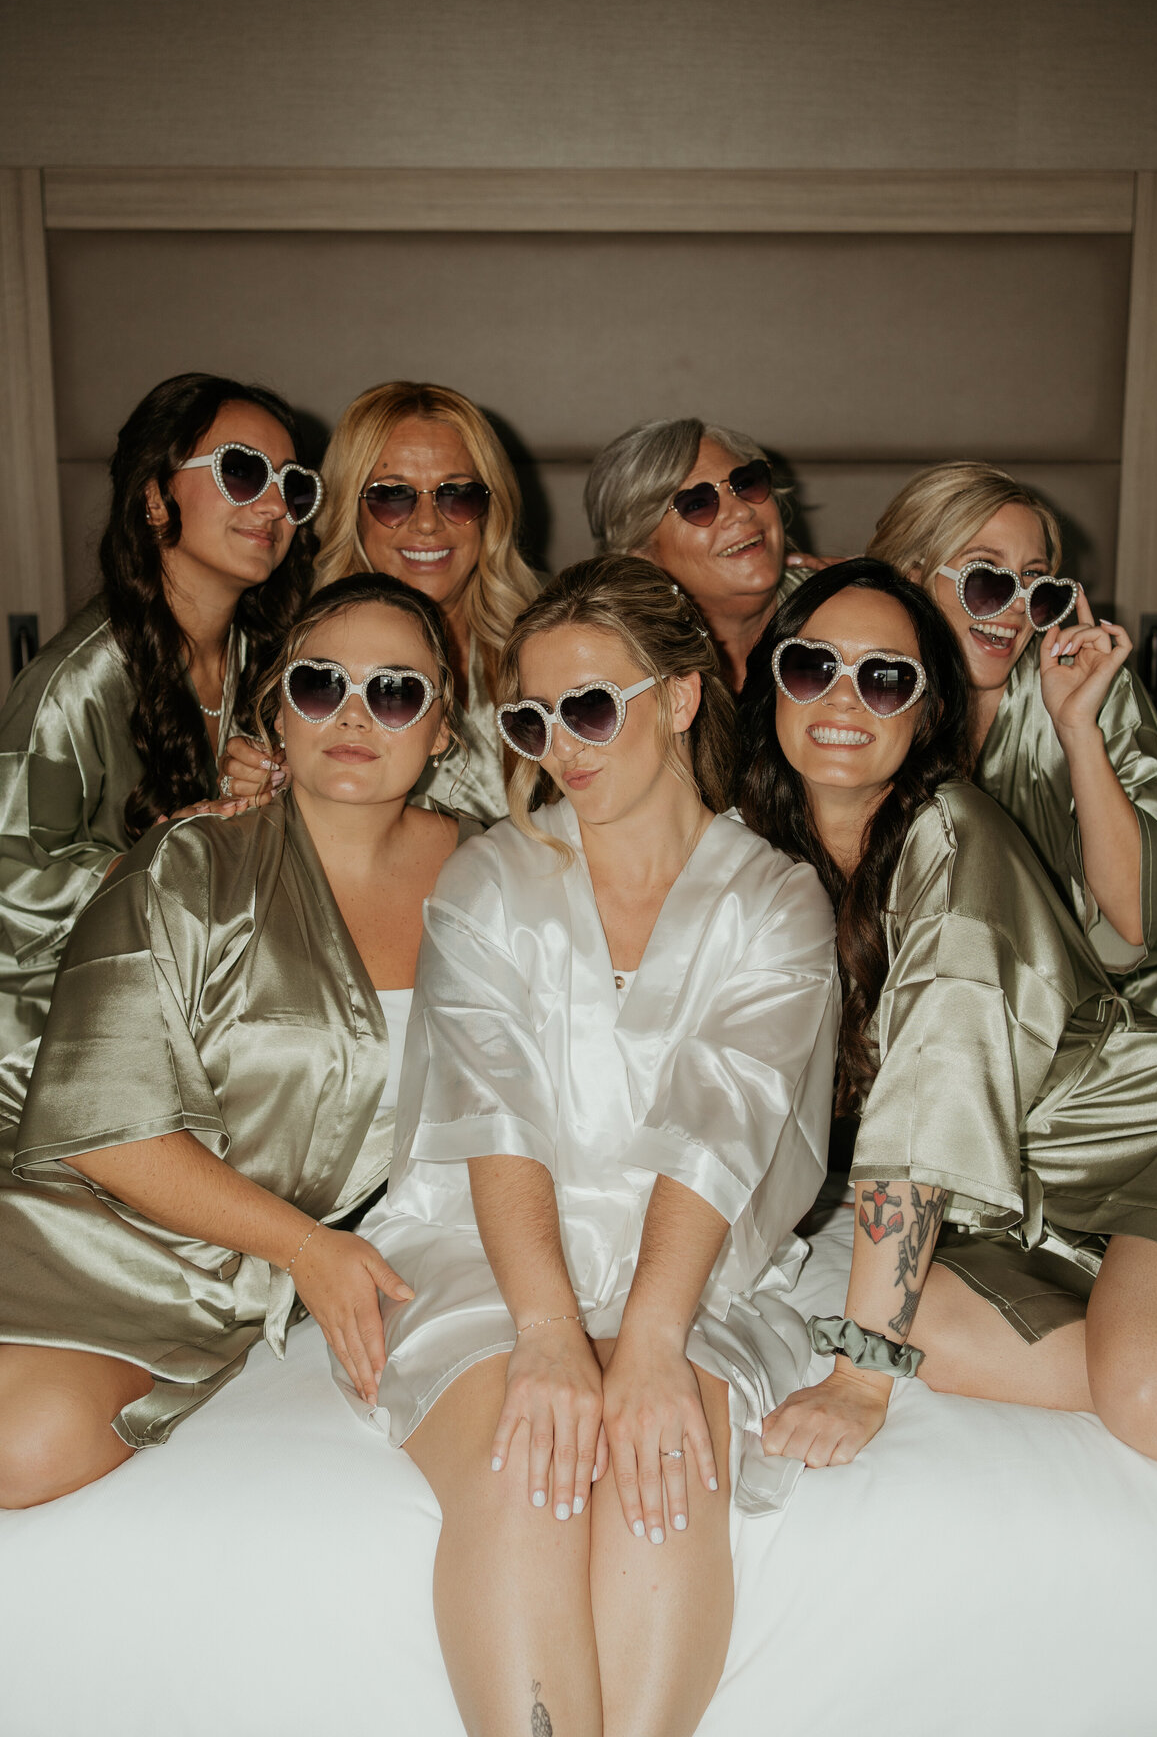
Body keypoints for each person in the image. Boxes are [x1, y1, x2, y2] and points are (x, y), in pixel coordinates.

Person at [336, 556, 839, 1737]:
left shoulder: (775, 901)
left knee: (659, 1470)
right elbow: (489, 1120)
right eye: (531, 718)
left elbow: (722, 1129)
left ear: (678, 698)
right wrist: (552, 1335)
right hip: (487, 1252)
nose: (560, 744)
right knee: (533, 1461)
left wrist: (654, 1344)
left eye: (592, 707)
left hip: (695, 1263)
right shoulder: (491, 881)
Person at [0, 573, 475, 1508]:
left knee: (30, 1444)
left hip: (235, 1280)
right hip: (87, 1227)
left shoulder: (496, 882)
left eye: (394, 691)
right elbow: (103, 1130)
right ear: (277, 712)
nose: (353, 714)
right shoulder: (187, 869)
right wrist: (307, 1250)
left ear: (442, 729)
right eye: (318, 684)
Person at [737, 557, 1157, 1477]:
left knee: (1145, 1387)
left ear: (927, 714)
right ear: (771, 684)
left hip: (1155, 1136)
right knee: (934, 1332)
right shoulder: (759, 851)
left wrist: (861, 1375)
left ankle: (1144, 1349)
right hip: (1032, 1203)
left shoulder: (948, 833)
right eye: (811, 665)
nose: (842, 699)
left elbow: (935, 1081)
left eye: (884, 678)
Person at [0, 372, 322, 1062]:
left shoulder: (273, 660)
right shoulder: (73, 686)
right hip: (56, 1061)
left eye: (292, 484)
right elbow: (9, 880)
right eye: (242, 472)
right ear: (154, 498)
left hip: (201, 1035)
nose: (273, 504)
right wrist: (153, 863)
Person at [868, 461, 1157, 1028]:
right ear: (912, 577)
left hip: (1146, 1006)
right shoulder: (861, 691)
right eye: (987, 579)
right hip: (979, 1009)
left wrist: (1077, 730)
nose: (1018, 606)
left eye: (1038, 585)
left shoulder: (1088, 688)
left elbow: (1130, 924)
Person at [222, 381, 540, 825]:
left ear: (491, 510)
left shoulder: (548, 641)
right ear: (350, 511)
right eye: (393, 496)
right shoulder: (296, 651)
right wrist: (254, 780)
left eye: (457, 494)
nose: (428, 523)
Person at [586, 417, 802, 691]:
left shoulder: (839, 616)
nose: (741, 511)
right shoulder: (624, 678)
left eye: (745, 483)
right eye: (697, 504)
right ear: (641, 555)